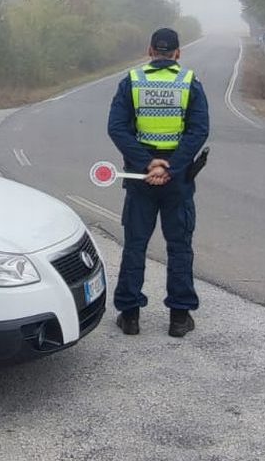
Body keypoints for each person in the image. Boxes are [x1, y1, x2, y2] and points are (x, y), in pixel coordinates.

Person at [106, 27, 209, 337]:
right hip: (177, 180)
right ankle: (179, 318)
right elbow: (198, 130)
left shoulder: (132, 82)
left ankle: (130, 316)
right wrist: (171, 168)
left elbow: (117, 128)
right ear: (178, 53)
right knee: (179, 247)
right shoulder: (190, 82)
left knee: (135, 245)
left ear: (150, 50)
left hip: (140, 178)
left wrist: (147, 163)